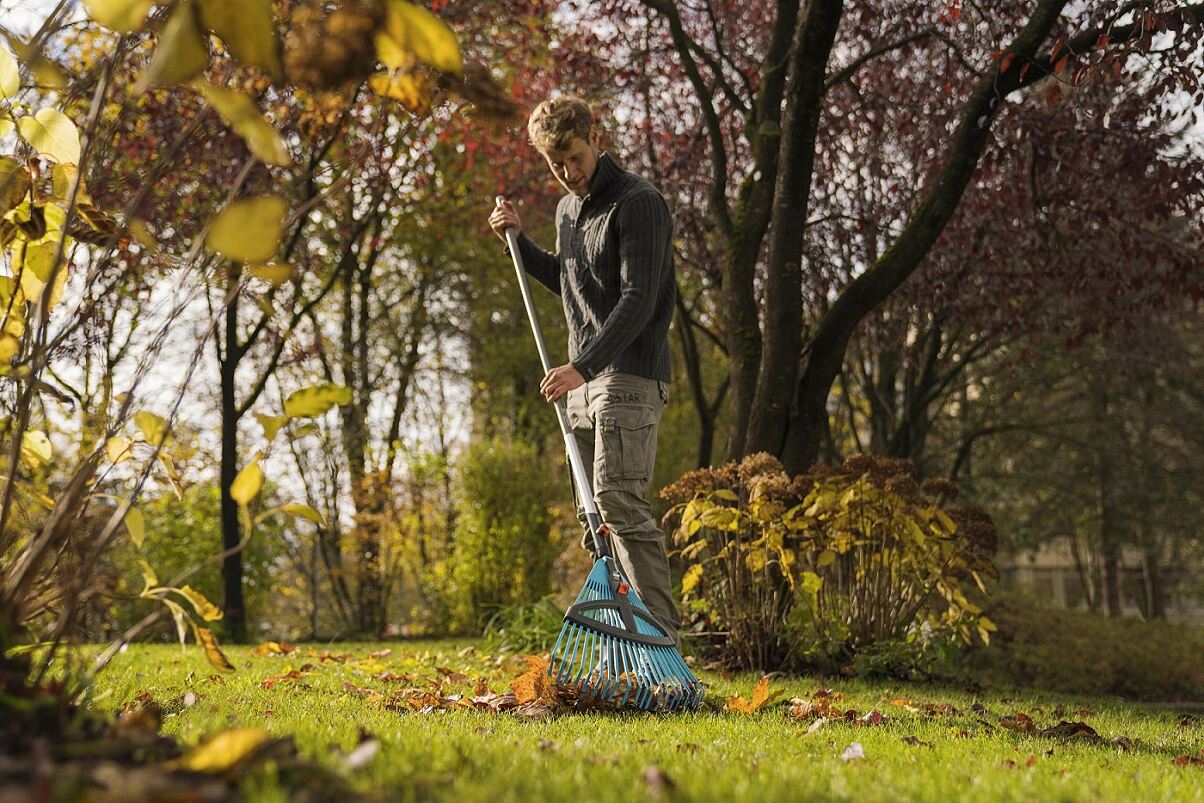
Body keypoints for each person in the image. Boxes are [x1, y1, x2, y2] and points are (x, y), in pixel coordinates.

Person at [487, 94, 680, 644]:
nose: (569, 173)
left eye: (574, 156)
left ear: (596, 137)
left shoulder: (638, 203)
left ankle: (664, 646)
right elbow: (567, 280)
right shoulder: (568, 212)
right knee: (593, 519)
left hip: (627, 373)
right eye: (556, 164)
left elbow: (639, 298)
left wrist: (583, 365)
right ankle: (628, 643)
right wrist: (517, 243)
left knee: (620, 504)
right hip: (582, 378)